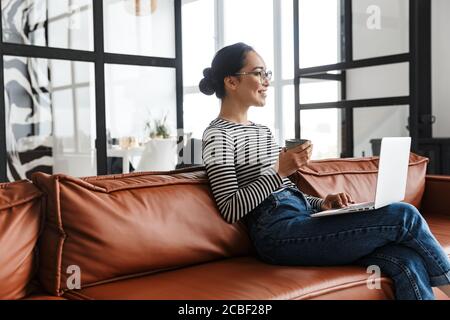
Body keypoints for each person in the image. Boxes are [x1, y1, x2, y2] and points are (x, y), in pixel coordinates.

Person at [200, 42, 450, 300]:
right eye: (258, 73)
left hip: (303, 220)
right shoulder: (218, 135)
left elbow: (284, 191)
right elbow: (230, 208)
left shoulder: (261, 130)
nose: (266, 81)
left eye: (268, 74)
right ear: (231, 82)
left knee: (405, 259)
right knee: (404, 215)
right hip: (277, 235)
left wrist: (322, 204)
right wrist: (279, 172)